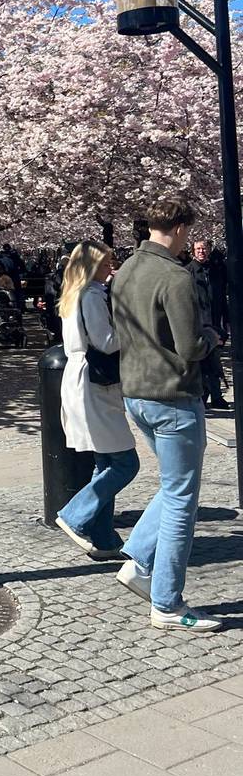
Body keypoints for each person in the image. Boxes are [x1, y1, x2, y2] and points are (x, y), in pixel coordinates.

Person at [111, 197, 223, 633]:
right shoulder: (174, 277)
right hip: (173, 396)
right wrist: (211, 336)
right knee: (181, 499)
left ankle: (139, 562)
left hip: (136, 392)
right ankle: (167, 603)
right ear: (179, 228)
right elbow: (189, 346)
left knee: (175, 487)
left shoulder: (126, 270)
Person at [53, 241, 139, 560]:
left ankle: (104, 539)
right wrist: (133, 333)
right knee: (126, 462)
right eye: (105, 264)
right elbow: (105, 341)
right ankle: (75, 514)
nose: (110, 268)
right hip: (95, 382)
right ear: (90, 267)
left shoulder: (74, 294)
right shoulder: (90, 295)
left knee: (105, 463)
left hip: (82, 378)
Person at [188, 240, 228, 410]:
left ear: (209, 250)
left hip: (215, 321)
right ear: (193, 251)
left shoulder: (216, 270)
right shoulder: (188, 271)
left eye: (204, 248)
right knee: (203, 362)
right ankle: (204, 396)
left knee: (215, 361)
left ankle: (217, 396)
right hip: (200, 324)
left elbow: (222, 296)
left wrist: (226, 321)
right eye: (198, 249)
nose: (201, 251)